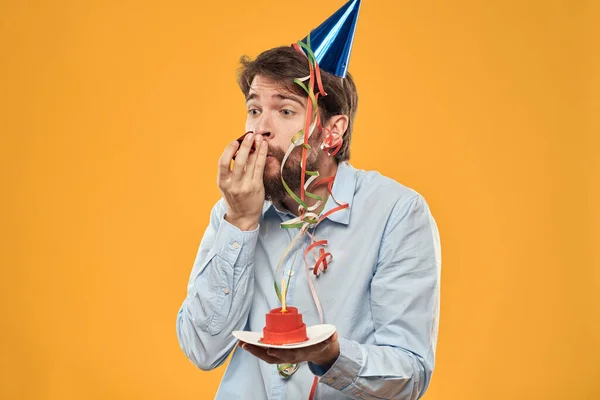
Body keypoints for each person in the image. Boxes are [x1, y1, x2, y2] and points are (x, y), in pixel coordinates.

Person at [176, 2, 441, 399]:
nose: (260, 128)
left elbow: (409, 373)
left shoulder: (396, 213)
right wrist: (240, 223)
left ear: (332, 131)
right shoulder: (234, 212)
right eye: (253, 109)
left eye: (284, 110)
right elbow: (202, 348)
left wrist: (334, 356)